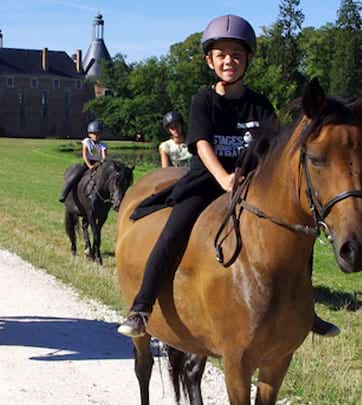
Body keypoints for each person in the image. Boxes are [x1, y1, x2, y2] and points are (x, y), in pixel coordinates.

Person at [118, 14, 340, 339]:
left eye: (236, 55)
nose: (229, 61)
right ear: (210, 60)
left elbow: (274, 149)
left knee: (300, 234)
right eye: (221, 55)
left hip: (252, 184)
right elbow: (202, 144)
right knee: (172, 233)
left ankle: (307, 312)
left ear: (248, 58)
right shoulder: (203, 101)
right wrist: (223, 177)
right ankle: (142, 307)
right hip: (207, 180)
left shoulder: (260, 105)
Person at [59, 120, 108, 202]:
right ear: (89, 134)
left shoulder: (103, 145)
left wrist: (100, 163)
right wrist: (90, 166)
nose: (96, 136)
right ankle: (64, 193)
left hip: (98, 165)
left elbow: (104, 157)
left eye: (98, 134)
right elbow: (84, 156)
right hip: (87, 164)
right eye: (94, 133)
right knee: (75, 176)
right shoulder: (87, 141)